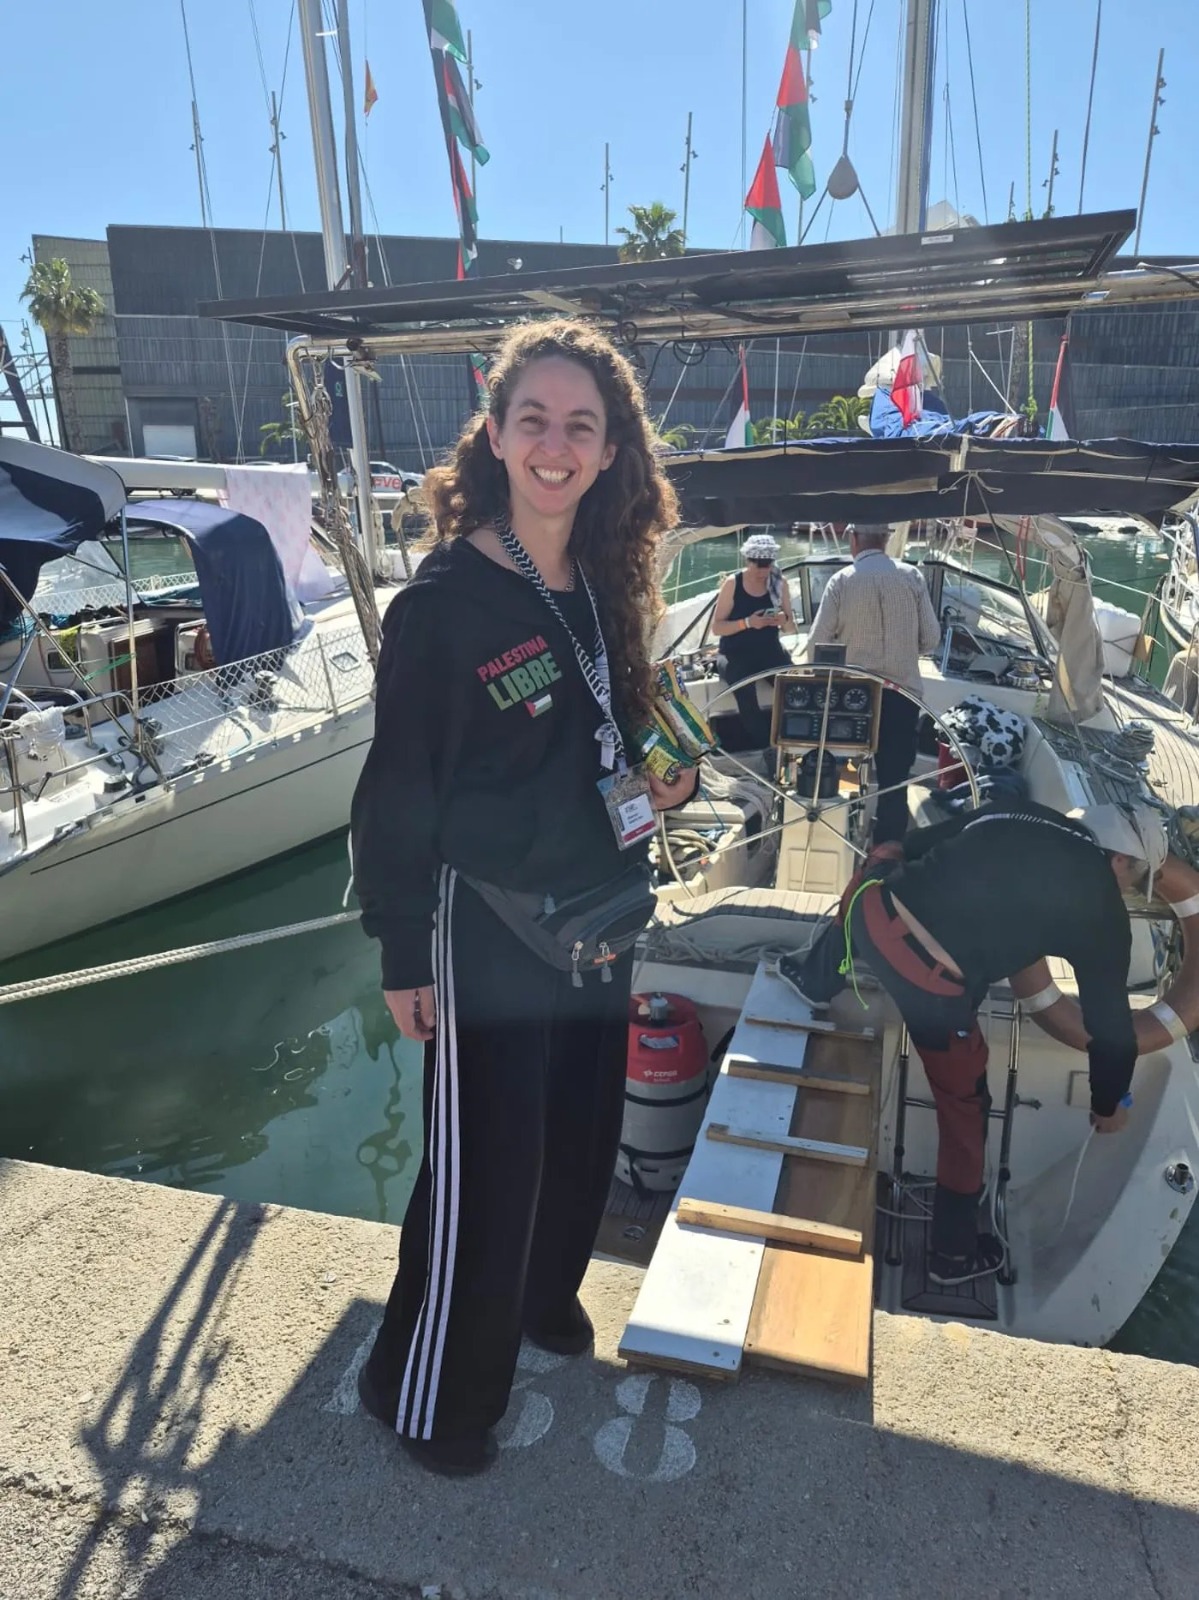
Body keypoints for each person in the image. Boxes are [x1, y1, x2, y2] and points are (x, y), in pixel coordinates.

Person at [349, 319, 696, 1477]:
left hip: (597, 912)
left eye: (579, 426)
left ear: (609, 451)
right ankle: (425, 1395)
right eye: (533, 420)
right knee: (483, 1171)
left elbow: (614, 722)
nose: (555, 445)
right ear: (493, 435)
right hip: (488, 925)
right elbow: (396, 790)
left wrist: (664, 770)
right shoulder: (444, 604)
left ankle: (545, 1298)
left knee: (578, 1139)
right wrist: (402, 948)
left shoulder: (596, 582)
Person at [783, 800, 1164, 1286]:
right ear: (1120, 859)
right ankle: (952, 1256)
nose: (1128, 889)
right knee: (966, 1110)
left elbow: (911, 845)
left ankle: (816, 979)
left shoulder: (1021, 812)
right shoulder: (1105, 913)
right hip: (930, 989)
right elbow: (1111, 1030)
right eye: (1135, 877)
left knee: (880, 862)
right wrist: (1108, 1103)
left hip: (871, 918)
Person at [806, 524, 942, 844]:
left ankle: (845, 837)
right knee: (894, 781)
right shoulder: (911, 577)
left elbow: (817, 646)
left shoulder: (842, 580)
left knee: (848, 771)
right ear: (886, 539)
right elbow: (931, 639)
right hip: (903, 695)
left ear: (853, 539)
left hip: (854, 698)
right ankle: (885, 851)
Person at [709, 532, 796, 748]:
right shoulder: (733, 584)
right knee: (745, 692)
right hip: (735, 652)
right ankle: (766, 748)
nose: (763, 570)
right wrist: (748, 623)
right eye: (758, 564)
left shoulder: (779, 583)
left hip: (769, 651)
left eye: (768, 564)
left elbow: (790, 628)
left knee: (796, 688)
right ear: (748, 560)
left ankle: (793, 741)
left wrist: (783, 619)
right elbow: (717, 627)